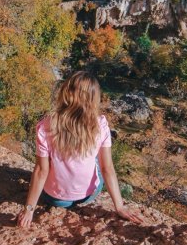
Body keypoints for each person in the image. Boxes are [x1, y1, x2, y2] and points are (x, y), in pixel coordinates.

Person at [17, 71, 144, 228]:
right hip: (88, 195)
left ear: (66, 91)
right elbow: (107, 169)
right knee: (97, 158)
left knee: (51, 160)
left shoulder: (46, 126)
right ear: (94, 98)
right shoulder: (100, 125)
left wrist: (29, 209)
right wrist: (119, 207)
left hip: (57, 199)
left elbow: (41, 171)